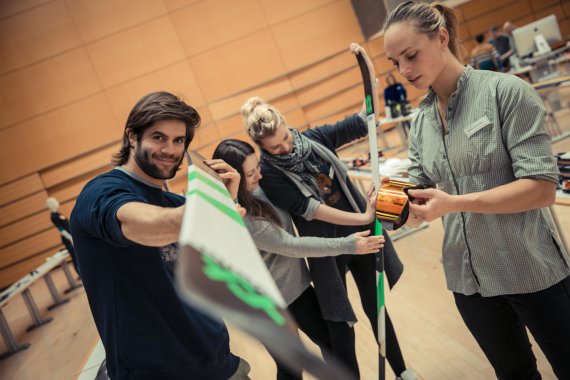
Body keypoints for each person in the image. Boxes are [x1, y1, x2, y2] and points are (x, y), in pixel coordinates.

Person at [383, 2, 570, 379]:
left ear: (441, 37)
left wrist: (454, 203)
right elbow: (417, 180)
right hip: (469, 281)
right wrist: (387, 202)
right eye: (395, 62)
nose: (403, 71)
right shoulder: (421, 120)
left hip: (530, 268)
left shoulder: (506, 92)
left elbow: (541, 189)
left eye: (411, 55)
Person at [240, 45, 415, 380]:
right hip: (327, 249)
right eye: (275, 147)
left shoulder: (314, 139)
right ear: (262, 147)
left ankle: (403, 371)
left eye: (286, 138)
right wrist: (363, 217)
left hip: (363, 237)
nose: (286, 148)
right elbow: (313, 210)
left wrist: (370, 85)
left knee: (375, 306)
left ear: (288, 126)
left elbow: (362, 122)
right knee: (339, 326)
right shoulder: (272, 174)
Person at [70, 91, 250, 380]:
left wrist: (225, 201)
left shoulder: (178, 204)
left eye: (179, 140)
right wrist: (207, 211)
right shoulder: (100, 192)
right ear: (132, 136)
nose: (170, 149)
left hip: (218, 360)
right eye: (158, 137)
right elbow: (138, 223)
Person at [212, 139, 385, 380]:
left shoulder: (257, 190)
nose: (259, 176)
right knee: (292, 367)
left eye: (258, 167)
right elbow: (291, 245)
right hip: (268, 302)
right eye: (250, 173)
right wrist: (348, 244)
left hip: (293, 289)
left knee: (333, 344)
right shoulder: (244, 215)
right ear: (232, 178)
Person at [46, 197, 80, 276]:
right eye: (55, 201)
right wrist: (70, 238)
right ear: (51, 205)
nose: (57, 202)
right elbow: (61, 230)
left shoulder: (58, 214)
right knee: (75, 257)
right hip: (68, 239)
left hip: (72, 237)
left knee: (78, 256)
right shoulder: (54, 216)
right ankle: (80, 274)